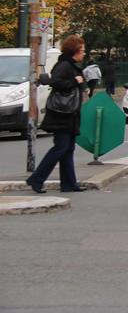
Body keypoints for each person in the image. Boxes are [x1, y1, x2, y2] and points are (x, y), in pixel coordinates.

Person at [25, 36, 87, 194]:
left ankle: (68, 183)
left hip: (70, 114)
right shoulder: (64, 65)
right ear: (75, 50)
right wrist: (75, 81)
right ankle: (36, 179)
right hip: (62, 113)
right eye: (82, 50)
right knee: (60, 148)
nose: (84, 53)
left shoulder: (70, 65)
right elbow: (55, 82)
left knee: (68, 149)